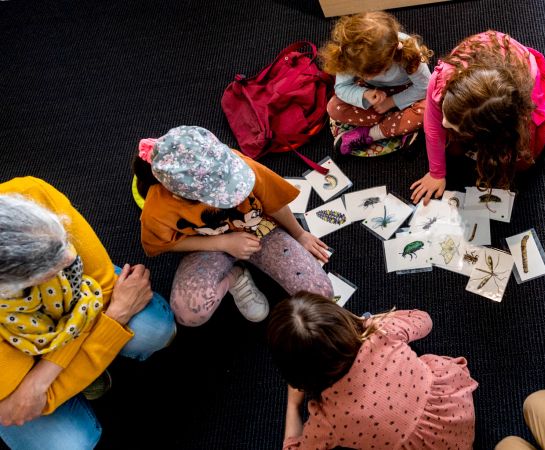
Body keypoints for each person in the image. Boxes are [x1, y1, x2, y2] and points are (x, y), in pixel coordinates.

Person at [0, 177, 176, 450]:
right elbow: (24, 404)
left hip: (49, 353)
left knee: (155, 328)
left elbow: (103, 286)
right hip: (12, 376)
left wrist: (39, 381)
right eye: (50, 266)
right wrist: (113, 319)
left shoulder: (28, 192)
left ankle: (86, 370)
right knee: (66, 445)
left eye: (62, 239)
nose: (71, 257)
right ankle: (87, 371)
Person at [133, 125, 332, 326]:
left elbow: (276, 203)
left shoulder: (242, 167)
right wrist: (222, 243)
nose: (237, 191)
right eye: (223, 194)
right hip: (209, 246)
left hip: (261, 232)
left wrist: (299, 234)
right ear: (180, 196)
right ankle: (235, 277)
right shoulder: (157, 208)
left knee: (321, 294)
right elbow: (164, 244)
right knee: (188, 314)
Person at [267, 293, 478, 449]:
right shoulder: (383, 331)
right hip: (456, 415)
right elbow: (424, 320)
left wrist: (293, 405)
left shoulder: (327, 418)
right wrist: (367, 322)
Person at [410, 30, 545, 204]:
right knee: (451, 147)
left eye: (454, 123)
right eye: (446, 113)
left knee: (522, 163)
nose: (444, 122)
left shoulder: (514, 114)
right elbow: (433, 128)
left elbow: (520, 150)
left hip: (524, 77)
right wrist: (436, 173)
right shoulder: (441, 79)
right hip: (484, 58)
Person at [321, 11, 433, 155]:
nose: (365, 76)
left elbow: (425, 87)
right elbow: (342, 88)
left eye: (381, 71)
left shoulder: (408, 52)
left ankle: (371, 133)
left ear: (391, 57)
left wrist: (391, 102)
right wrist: (365, 94)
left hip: (408, 91)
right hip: (374, 94)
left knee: (432, 106)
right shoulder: (350, 54)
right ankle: (401, 125)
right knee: (334, 108)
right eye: (361, 73)